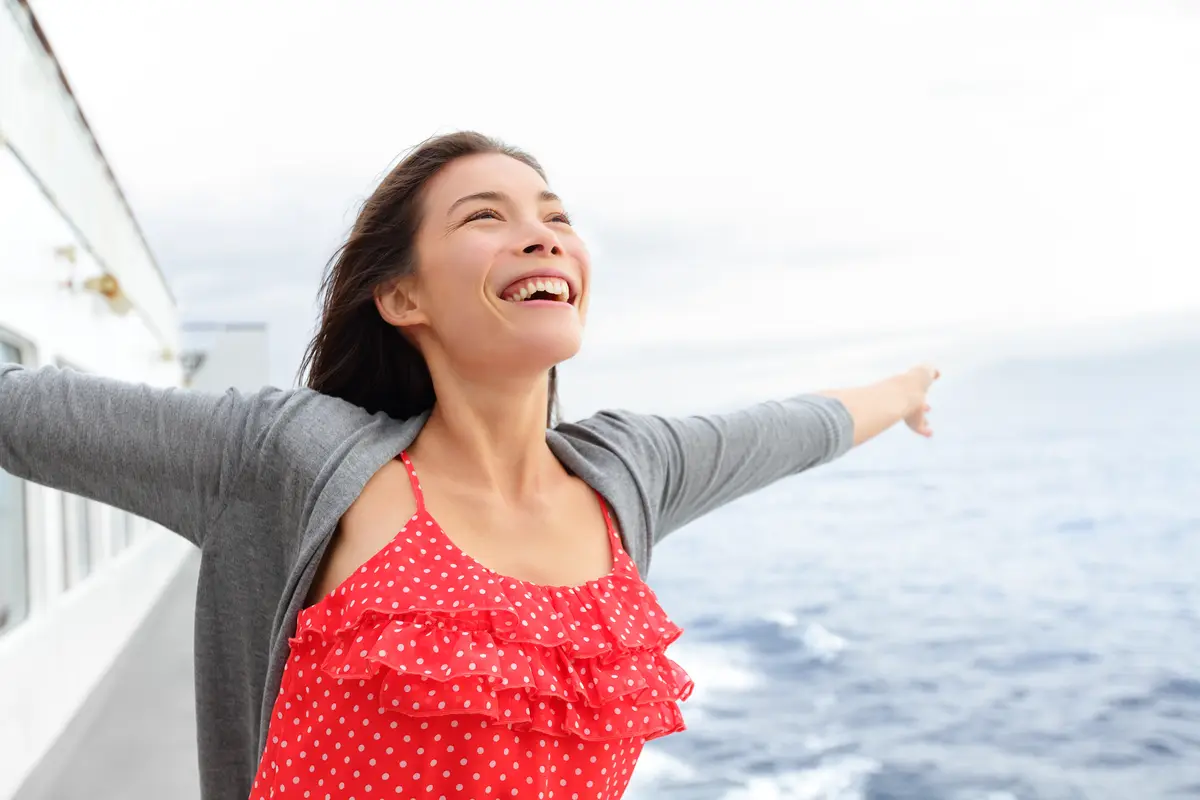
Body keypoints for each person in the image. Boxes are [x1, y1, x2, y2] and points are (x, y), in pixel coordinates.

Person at [0, 131, 939, 800]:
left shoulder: (629, 474)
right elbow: (20, 412)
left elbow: (785, 428)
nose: (544, 235)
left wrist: (900, 392)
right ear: (403, 295)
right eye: (486, 216)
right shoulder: (297, 460)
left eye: (557, 216)